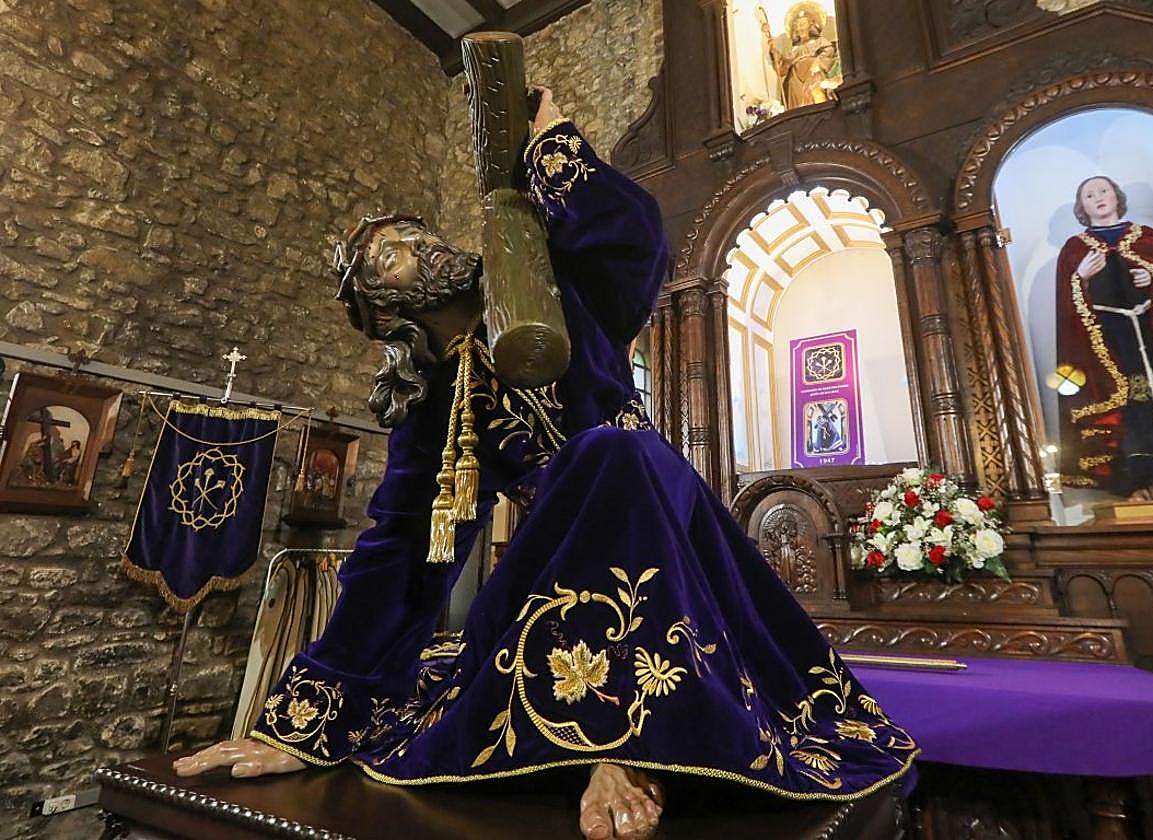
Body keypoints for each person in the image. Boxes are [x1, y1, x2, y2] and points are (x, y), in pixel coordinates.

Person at [174, 87, 916, 840]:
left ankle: (624, 746)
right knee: (590, 470)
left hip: (667, 521)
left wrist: (553, 146)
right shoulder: (436, 404)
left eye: (418, 231)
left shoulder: (546, 288)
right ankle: (595, 735)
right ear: (382, 309)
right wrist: (303, 723)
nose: (423, 244)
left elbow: (635, 246)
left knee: (613, 451)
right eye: (393, 254)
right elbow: (401, 553)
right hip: (560, 560)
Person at [1055, 175, 1153, 500]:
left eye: (1103, 190)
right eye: (1089, 195)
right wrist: (1081, 277)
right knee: (1133, 410)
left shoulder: (1150, 238)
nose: (1098, 197)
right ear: (1082, 206)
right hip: (1111, 342)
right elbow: (1066, 304)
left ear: (1116, 197)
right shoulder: (1075, 248)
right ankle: (1141, 482)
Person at [759, 3, 836, 110]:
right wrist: (774, 52)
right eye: (797, 25)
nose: (800, 27)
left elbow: (829, 50)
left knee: (818, 100)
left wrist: (817, 62)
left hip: (813, 75)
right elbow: (782, 66)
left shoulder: (819, 41)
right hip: (794, 79)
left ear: (811, 25)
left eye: (803, 23)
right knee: (798, 107)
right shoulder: (794, 50)